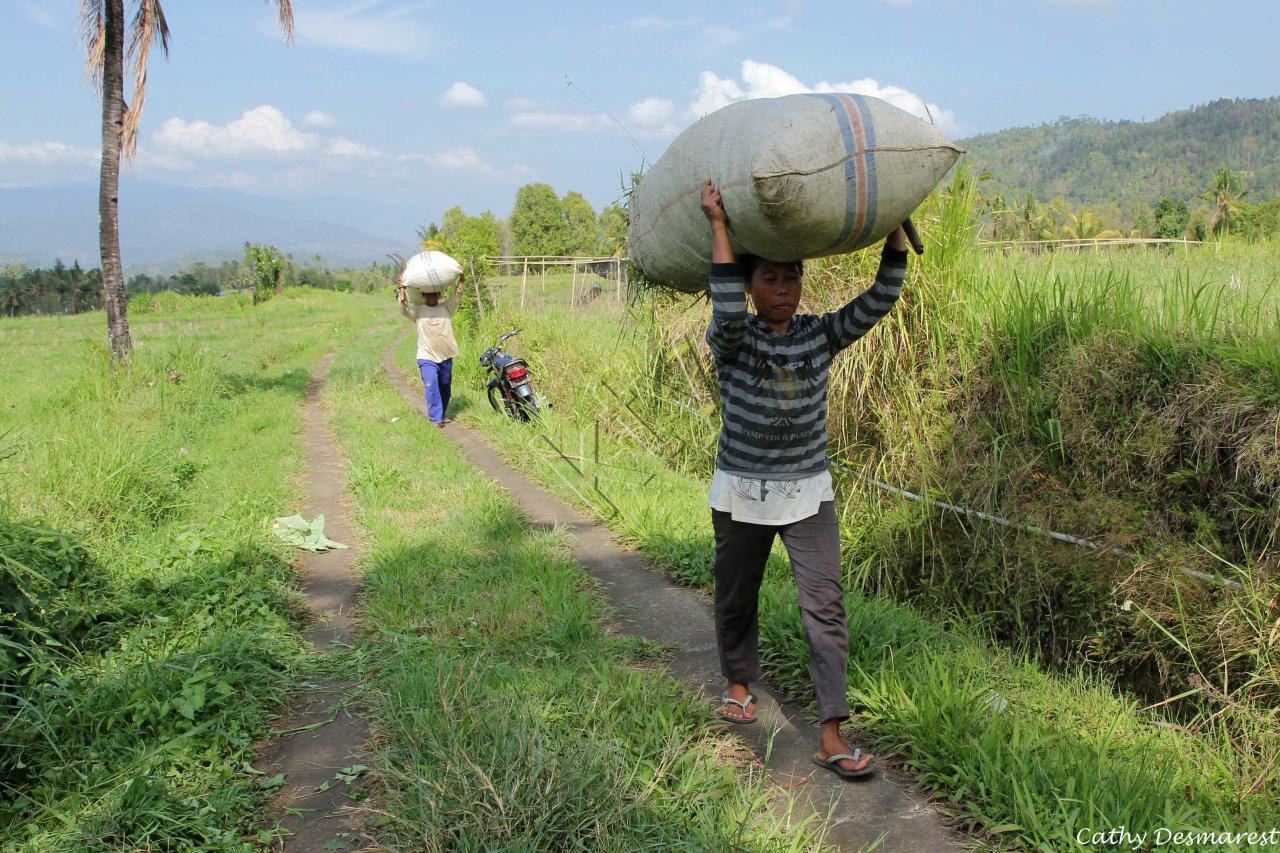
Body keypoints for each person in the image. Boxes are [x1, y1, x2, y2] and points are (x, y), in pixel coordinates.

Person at [700, 178, 908, 781]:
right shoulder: (734, 340)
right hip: (742, 493)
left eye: (791, 277)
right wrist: (718, 224)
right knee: (736, 593)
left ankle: (831, 735)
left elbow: (880, 299)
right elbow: (725, 304)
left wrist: (893, 222)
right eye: (770, 279)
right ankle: (739, 684)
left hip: (808, 495)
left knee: (826, 608)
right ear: (750, 286)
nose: (784, 290)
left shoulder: (820, 335)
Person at [398, 269, 465, 427]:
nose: (432, 297)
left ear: (439, 295)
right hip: (426, 355)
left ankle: (441, 412)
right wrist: (402, 290)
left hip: (446, 354)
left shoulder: (447, 308)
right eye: (429, 295)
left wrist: (461, 281)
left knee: (445, 385)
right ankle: (435, 418)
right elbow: (403, 309)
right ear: (424, 296)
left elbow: (457, 296)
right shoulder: (418, 311)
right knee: (431, 383)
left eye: (435, 295)